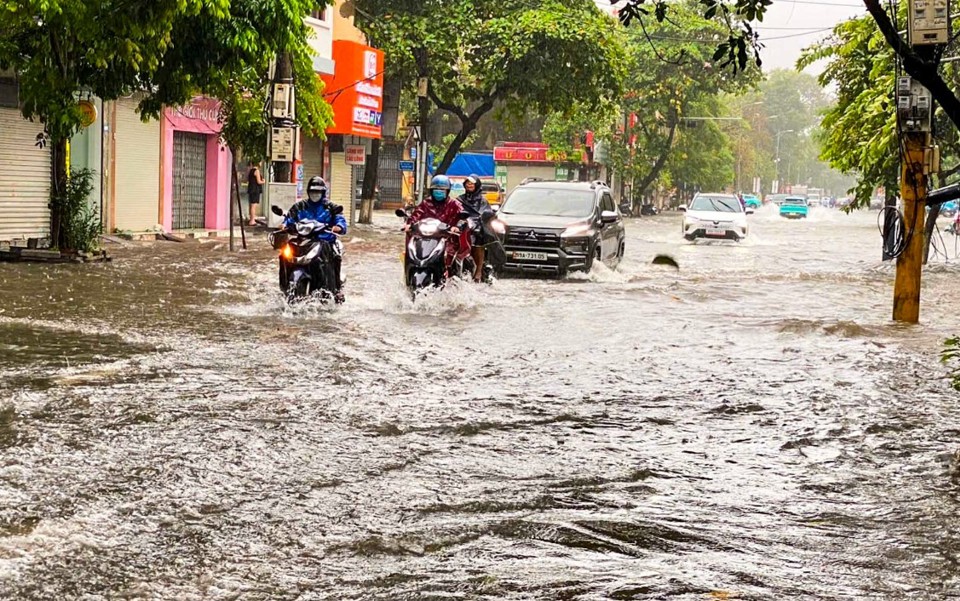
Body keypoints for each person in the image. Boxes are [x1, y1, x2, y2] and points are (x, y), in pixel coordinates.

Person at [283, 176, 347, 301]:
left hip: (324, 241)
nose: (315, 194)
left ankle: (335, 289)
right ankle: (284, 284)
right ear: (308, 192)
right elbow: (290, 218)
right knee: (284, 253)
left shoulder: (331, 207)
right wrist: (284, 225)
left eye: (318, 192)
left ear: (323, 193)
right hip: (303, 241)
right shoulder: (300, 206)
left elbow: (340, 220)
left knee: (332, 256)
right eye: (313, 192)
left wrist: (338, 226)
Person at [406, 175, 470, 270]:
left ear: (447, 191)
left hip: (447, 237)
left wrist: (457, 226)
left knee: (450, 254)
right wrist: (409, 224)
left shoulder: (454, 204)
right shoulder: (426, 203)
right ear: (431, 191)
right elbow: (416, 214)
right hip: (426, 236)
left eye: (442, 190)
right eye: (436, 190)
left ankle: (451, 270)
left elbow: (462, 217)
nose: (439, 193)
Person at [457, 174, 493, 282]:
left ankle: (479, 270)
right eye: (467, 183)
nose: (469, 185)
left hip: (477, 228)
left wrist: (478, 224)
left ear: (477, 185)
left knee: (479, 241)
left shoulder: (483, 201)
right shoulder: (460, 199)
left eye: (472, 183)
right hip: (462, 226)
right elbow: (455, 211)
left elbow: (485, 214)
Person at [246, 161, 264, 226]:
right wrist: (263, 181)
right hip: (255, 190)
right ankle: (252, 220)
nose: (261, 163)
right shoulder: (257, 171)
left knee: (251, 205)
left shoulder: (250, 171)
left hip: (251, 189)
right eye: (260, 162)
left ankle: (251, 219)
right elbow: (259, 181)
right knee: (253, 206)